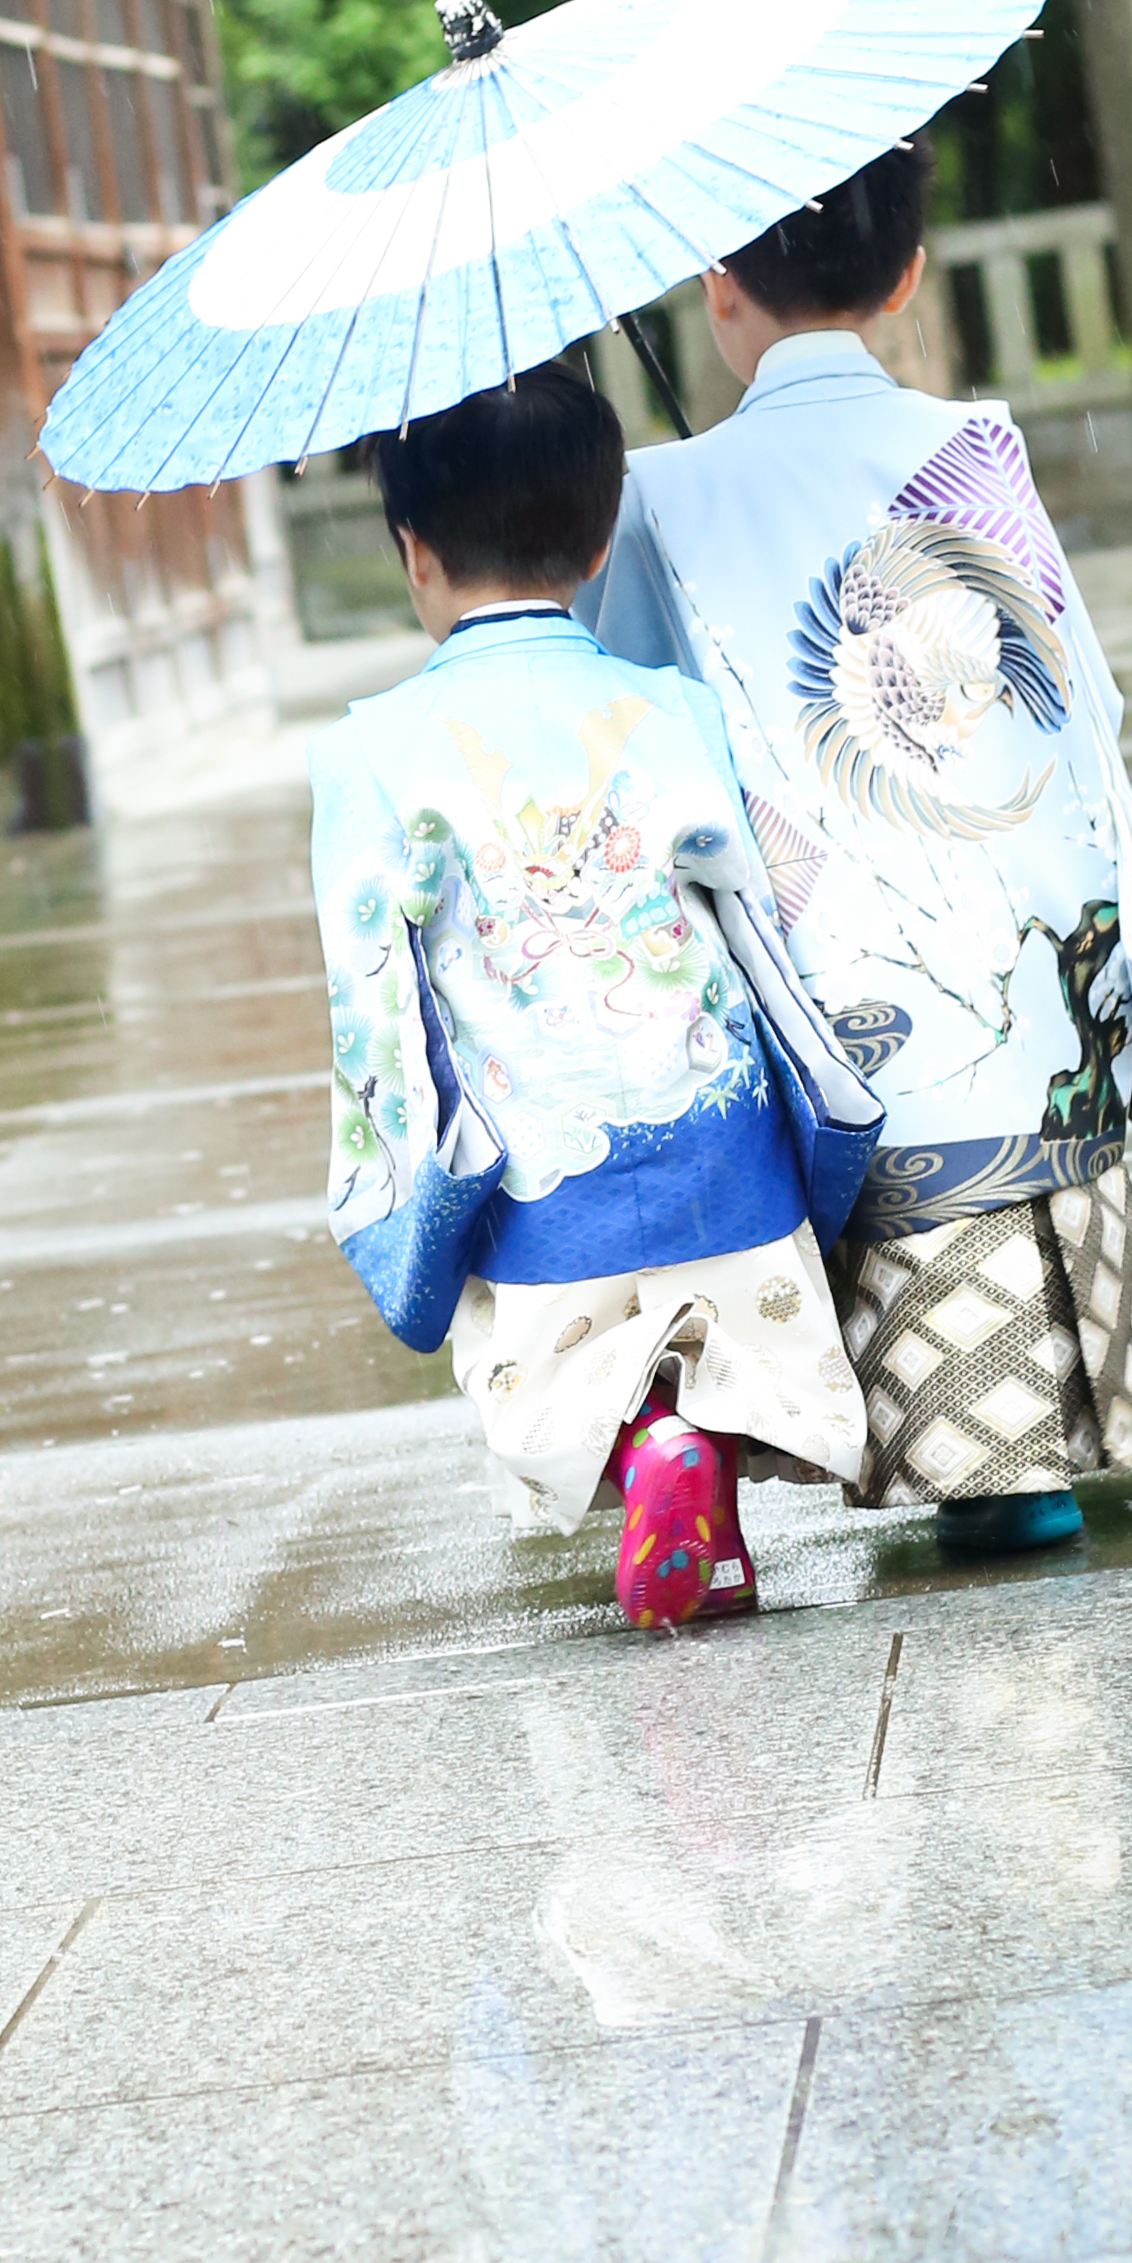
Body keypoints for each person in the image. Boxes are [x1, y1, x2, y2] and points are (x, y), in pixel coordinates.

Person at [576, 139, 1132, 1557]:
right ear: (907, 275)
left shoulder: (658, 496)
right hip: (1022, 955)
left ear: (713, 287)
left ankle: (953, 1451)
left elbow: (640, 728)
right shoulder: (973, 444)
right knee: (1009, 1097)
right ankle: (1032, 1443)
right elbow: (1078, 699)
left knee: (877, 1101)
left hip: (843, 977)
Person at [312, 359, 877, 1632]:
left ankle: (643, 1470)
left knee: (566, 1377)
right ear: (601, 528)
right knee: (726, 1340)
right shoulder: (667, 706)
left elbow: (371, 989)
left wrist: (396, 1166)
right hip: (710, 1135)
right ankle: (703, 1502)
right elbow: (755, 900)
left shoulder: (364, 750)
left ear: (413, 551)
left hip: (537, 1169)